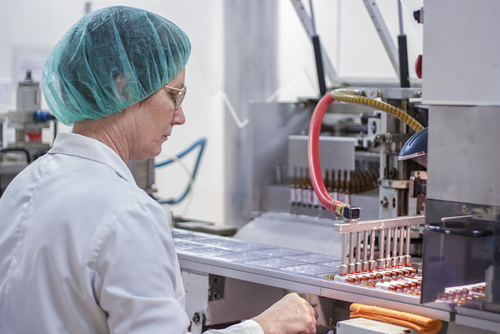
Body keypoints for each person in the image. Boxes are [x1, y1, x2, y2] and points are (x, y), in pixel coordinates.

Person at [0, 6, 317, 334]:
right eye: (173, 95)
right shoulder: (127, 214)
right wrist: (265, 326)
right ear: (122, 89)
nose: (180, 117)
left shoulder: (22, 187)